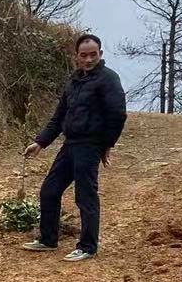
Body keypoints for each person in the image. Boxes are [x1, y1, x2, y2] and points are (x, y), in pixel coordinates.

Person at [22, 33, 128, 262]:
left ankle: (88, 246)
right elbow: (59, 116)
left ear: (100, 55)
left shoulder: (109, 79)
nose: (88, 60)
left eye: (93, 55)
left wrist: (107, 145)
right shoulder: (74, 81)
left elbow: (118, 115)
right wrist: (40, 142)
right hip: (70, 144)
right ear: (76, 57)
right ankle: (48, 239)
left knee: (85, 196)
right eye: (84, 55)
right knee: (49, 190)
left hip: (90, 146)